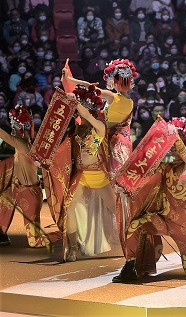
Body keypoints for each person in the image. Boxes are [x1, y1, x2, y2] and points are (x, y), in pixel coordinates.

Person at [112, 117, 186, 283]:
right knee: (135, 225)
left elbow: (184, 152)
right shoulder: (165, 168)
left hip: (184, 225)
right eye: (171, 146)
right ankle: (130, 266)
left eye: (175, 145)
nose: (172, 150)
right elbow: (144, 178)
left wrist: (173, 135)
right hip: (162, 218)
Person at [47, 85, 116, 262]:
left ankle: (131, 243)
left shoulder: (99, 126)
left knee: (117, 210)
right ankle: (73, 248)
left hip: (98, 176)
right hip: (81, 175)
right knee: (69, 208)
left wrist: (74, 99)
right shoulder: (77, 128)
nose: (79, 114)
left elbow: (84, 115)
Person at [0, 105, 53, 248]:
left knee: (34, 242)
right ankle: (1, 233)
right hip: (18, 188)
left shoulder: (22, 143)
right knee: (3, 199)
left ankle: (60, 235)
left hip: (29, 193)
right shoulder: (24, 140)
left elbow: (3, 135)